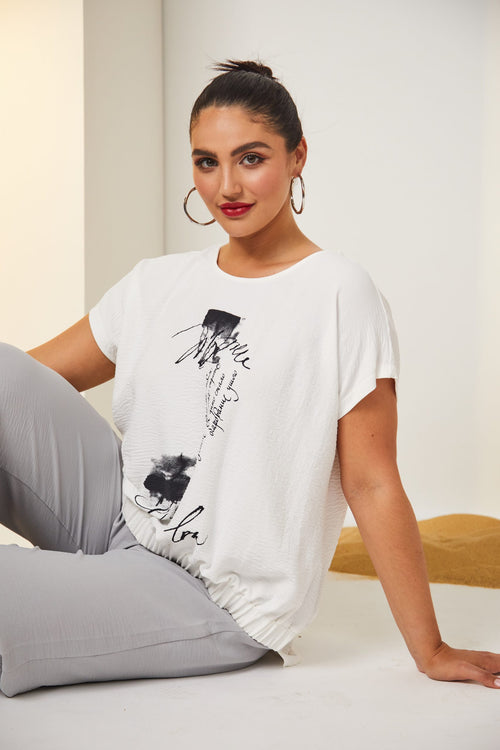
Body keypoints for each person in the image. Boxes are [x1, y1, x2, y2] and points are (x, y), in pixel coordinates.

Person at [0, 60, 498, 698]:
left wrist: (431, 649)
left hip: (211, 593)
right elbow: (26, 386)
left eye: (251, 158)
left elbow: (371, 482)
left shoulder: (339, 293)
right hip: (117, 516)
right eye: (206, 162)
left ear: (297, 157)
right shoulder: (157, 282)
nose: (227, 186)